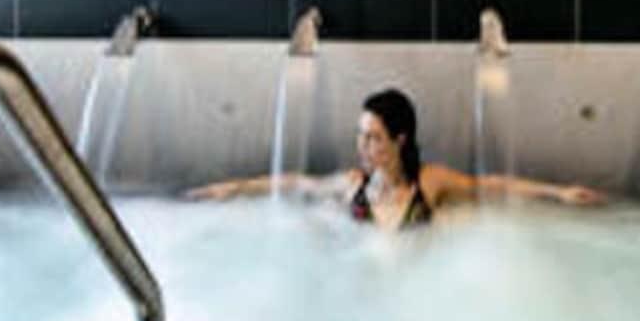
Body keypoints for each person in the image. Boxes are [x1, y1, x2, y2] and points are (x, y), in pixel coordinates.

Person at [187, 88, 605, 230]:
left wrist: (558, 193)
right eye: (360, 136)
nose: (363, 146)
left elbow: (490, 186)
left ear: (399, 140)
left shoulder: (429, 183)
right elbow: (297, 183)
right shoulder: (355, 185)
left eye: (373, 138)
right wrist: (235, 188)